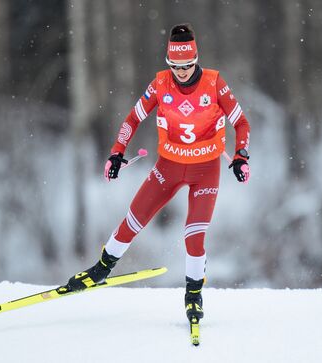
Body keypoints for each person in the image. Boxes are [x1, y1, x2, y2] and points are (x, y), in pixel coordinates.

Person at [65, 23, 250, 323]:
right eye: (175, 66)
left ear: (195, 60)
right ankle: (101, 268)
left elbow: (241, 122)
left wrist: (241, 156)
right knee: (134, 218)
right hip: (169, 167)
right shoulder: (160, 84)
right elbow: (132, 119)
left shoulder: (215, 84)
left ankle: (193, 296)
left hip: (206, 171)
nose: (181, 72)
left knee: (194, 234)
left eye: (187, 65)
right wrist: (116, 151)